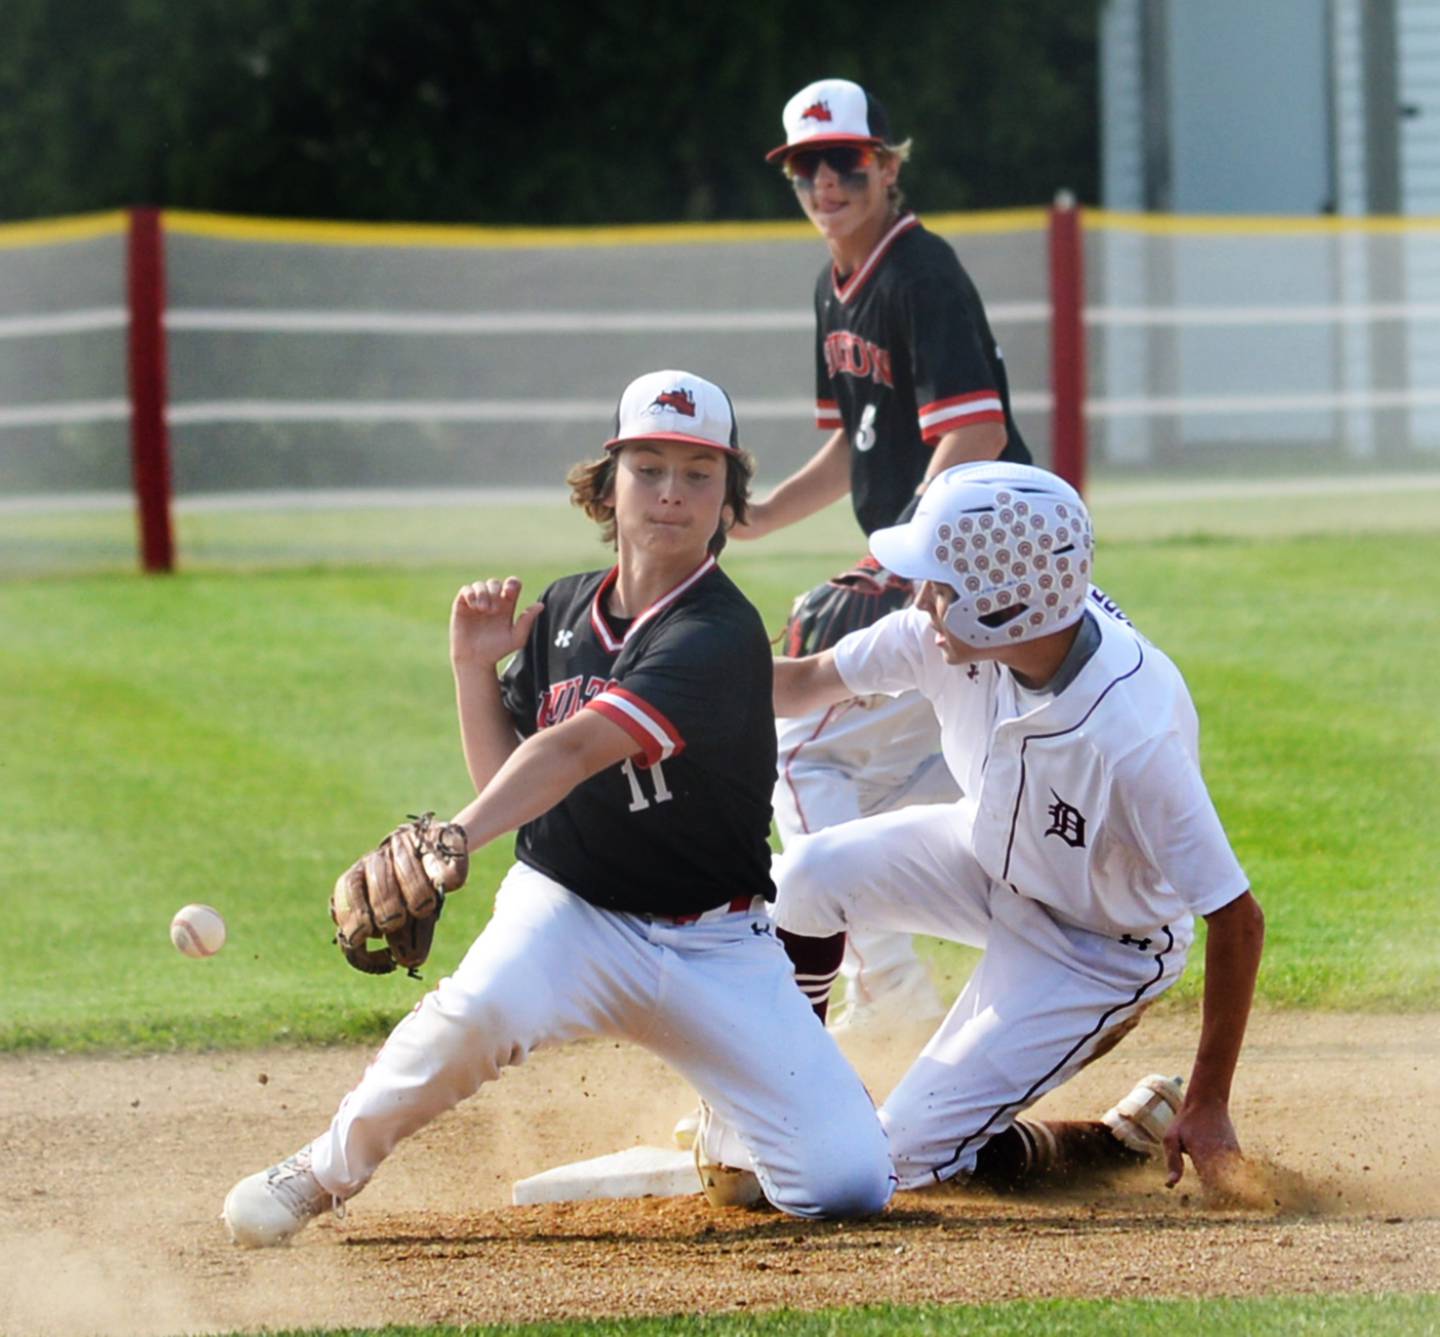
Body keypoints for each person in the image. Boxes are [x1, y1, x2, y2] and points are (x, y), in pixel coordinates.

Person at [222, 370, 894, 1247]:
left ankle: (734, 1120)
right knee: (471, 1019)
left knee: (848, 1182)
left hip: (714, 944)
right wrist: (472, 669)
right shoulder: (563, 610)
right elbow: (511, 768)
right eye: (648, 466)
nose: (671, 493)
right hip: (566, 912)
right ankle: (320, 1169)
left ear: (730, 497)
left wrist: (457, 833)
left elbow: (573, 748)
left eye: (699, 473)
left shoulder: (718, 631)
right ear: (607, 483)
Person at [770, 461, 1265, 1193]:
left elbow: (1237, 919)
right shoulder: (947, 637)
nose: (921, 596)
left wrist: (1209, 1100)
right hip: (987, 851)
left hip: (1098, 944)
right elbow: (801, 683)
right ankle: (783, 1091)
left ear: (999, 608)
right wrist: (649, 668)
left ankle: (1110, 1143)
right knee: (803, 875)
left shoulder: (1130, 736)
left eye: (940, 583)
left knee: (887, 1164)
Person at [739, 76, 1035, 1028]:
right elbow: (852, 442)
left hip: (977, 574)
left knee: (792, 747)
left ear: (886, 167)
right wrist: (754, 516)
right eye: (806, 168)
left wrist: (899, 559)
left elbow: (975, 432)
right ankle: (1006, 977)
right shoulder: (833, 288)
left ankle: (889, 987)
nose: (826, 183)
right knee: (949, 780)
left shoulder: (921, 273)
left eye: (845, 162)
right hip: (951, 581)